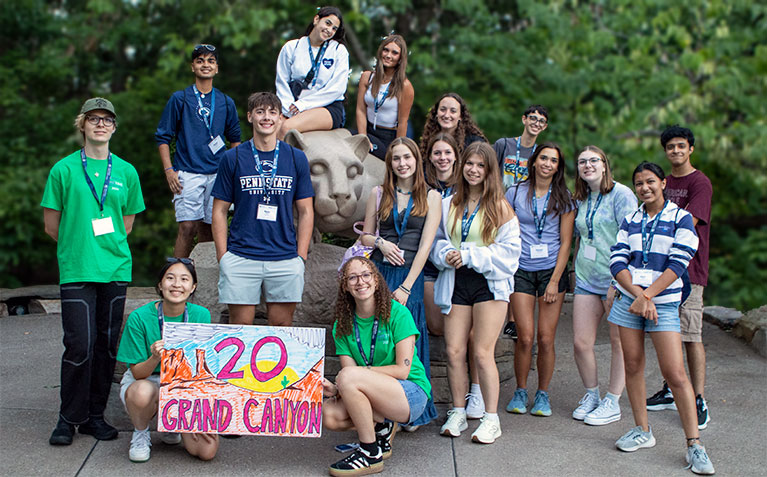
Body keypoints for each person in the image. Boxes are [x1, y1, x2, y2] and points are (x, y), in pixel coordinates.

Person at [42, 98, 145, 445]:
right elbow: (52, 225)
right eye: (93, 119)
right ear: (82, 125)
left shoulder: (127, 172)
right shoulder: (64, 170)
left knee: (105, 346)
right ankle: (67, 418)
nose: (100, 124)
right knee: (78, 345)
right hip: (77, 269)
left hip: (115, 268)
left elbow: (126, 225)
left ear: (114, 127)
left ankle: (94, 417)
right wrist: (80, 245)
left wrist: (104, 247)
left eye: (107, 119)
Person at [608, 161, 715, 475]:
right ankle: (643, 430)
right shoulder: (630, 219)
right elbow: (617, 260)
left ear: (663, 182)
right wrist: (638, 295)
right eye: (639, 183)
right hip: (630, 303)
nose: (644, 187)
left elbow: (680, 260)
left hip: (662, 304)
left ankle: (694, 444)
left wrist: (649, 295)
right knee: (632, 365)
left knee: (675, 374)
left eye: (650, 181)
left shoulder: (680, 218)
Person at [432, 142, 521, 444]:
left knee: (482, 353)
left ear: (490, 171)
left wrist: (469, 255)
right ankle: (458, 411)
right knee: (454, 351)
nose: (473, 170)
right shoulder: (449, 203)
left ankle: (491, 419)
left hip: (488, 285)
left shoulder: (501, 207)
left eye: (480, 165)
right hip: (456, 282)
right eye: (469, 163)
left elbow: (510, 256)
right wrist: (446, 254)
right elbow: (437, 241)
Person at [211, 92, 314, 327]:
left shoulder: (296, 158)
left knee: (280, 332)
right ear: (250, 117)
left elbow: (306, 211)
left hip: (285, 257)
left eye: (272, 112)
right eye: (260, 111)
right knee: (241, 331)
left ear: (280, 118)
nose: (266, 117)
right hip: (241, 256)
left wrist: (301, 256)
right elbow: (219, 210)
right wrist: (223, 256)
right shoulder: (232, 158)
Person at [359, 137, 441, 430]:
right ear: (390, 163)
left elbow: (425, 247)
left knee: (408, 339)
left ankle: (413, 408)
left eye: (407, 157)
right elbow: (365, 237)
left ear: (417, 161)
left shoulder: (431, 197)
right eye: (396, 159)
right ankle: (382, 403)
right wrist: (381, 242)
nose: (402, 163)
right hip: (379, 274)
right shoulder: (378, 193)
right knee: (382, 340)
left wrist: (407, 286)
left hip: (410, 278)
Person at [323, 257, 432, 476]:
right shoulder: (342, 325)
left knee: (348, 377)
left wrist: (353, 376)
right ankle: (383, 425)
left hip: (410, 393)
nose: (360, 282)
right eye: (352, 277)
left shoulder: (398, 313)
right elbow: (349, 379)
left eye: (366, 275)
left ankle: (369, 453)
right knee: (329, 414)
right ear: (345, 285)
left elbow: (402, 370)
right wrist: (335, 390)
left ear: (376, 279)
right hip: (374, 392)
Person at [116, 259, 219, 462]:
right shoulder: (139, 317)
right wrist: (155, 357)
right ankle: (141, 432)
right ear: (160, 285)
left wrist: (203, 413)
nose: (176, 285)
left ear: (193, 287)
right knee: (141, 392)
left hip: (185, 383)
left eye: (184, 279)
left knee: (207, 451)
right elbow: (138, 373)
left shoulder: (201, 315)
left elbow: (203, 367)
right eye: (170, 278)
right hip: (148, 379)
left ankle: (172, 425)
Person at [646, 125, 713, 431]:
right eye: (670, 147)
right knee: (667, 334)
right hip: (658, 272)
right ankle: (670, 390)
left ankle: (698, 398)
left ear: (691, 149)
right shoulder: (663, 180)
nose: (675, 151)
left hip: (689, 270)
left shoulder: (700, 183)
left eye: (681, 146)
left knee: (690, 335)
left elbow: (689, 220)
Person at [505, 142, 574, 417]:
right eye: (543, 158)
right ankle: (520, 391)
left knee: (546, 338)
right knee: (525, 336)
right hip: (521, 268)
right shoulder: (515, 192)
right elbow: (506, 231)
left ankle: (542, 394)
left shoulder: (564, 197)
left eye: (553, 160)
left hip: (551, 270)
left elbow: (567, 242)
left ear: (558, 167)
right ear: (534, 162)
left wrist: (556, 280)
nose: (547, 163)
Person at [570, 146, 637, 425]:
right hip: (587, 278)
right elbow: (580, 237)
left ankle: (613, 400)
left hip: (616, 280)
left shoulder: (621, 195)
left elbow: (633, 239)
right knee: (581, 342)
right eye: (582, 162)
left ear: (605, 165)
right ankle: (592, 394)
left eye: (593, 160)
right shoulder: (581, 198)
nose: (588, 165)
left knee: (618, 342)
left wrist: (620, 281)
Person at [155, 44, 242, 257]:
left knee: (211, 229)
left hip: (218, 174)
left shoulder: (225, 101)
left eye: (211, 61)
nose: (205, 65)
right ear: (192, 66)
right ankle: (174, 278)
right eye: (200, 60)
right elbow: (163, 137)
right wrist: (168, 170)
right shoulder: (180, 99)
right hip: (188, 171)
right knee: (187, 228)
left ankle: (203, 282)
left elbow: (235, 140)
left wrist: (234, 173)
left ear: (217, 68)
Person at [493, 104, 549, 341]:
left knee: (517, 262)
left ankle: (512, 321)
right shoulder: (504, 144)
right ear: (524, 119)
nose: (536, 123)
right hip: (498, 208)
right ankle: (498, 314)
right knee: (499, 260)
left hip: (523, 213)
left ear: (544, 127)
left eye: (541, 121)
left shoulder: (539, 153)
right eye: (533, 119)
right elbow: (491, 173)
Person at [275, 6, 350, 139]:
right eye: (328, 23)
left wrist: (303, 105)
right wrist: (288, 109)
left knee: (286, 127)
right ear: (316, 19)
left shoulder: (339, 50)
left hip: (327, 106)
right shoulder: (291, 47)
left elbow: (337, 89)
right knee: (270, 126)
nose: (329, 30)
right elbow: (282, 82)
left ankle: (282, 160)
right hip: (294, 104)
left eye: (334, 28)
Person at [422, 132, 460, 337]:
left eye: (447, 152)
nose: (442, 157)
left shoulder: (466, 185)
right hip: (429, 261)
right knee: (436, 326)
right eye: (437, 153)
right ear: (429, 156)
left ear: (455, 156)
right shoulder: (421, 185)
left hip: (457, 261)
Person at [354, 34, 414, 159]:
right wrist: (363, 137)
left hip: (387, 136)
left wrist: (397, 151)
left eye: (394, 53)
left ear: (400, 58)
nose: (388, 55)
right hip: (367, 130)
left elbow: (403, 122)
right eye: (386, 50)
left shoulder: (405, 86)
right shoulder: (367, 77)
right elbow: (360, 109)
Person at [419, 93, 487, 159]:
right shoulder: (428, 140)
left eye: (453, 111)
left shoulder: (474, 142)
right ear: (436, 113)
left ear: (460, 116)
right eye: (443, 110)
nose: (446, 115)